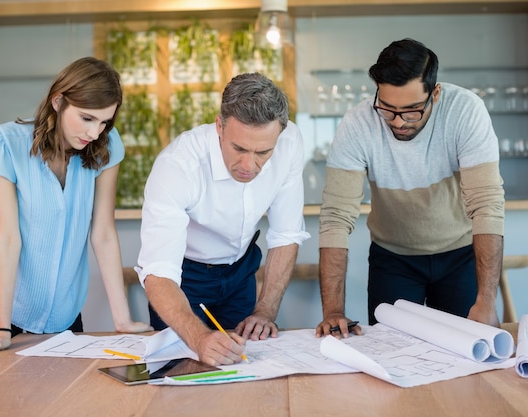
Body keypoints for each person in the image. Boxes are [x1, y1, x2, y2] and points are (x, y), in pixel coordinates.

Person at [315, 38, 505, 338]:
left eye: (412, 110)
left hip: (459, 254)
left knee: (467, 352)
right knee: (392, 353)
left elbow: (487, 204)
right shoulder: (357, 124)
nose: (399, 122)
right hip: (393, 259)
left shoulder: (466, 111)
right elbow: (336, 216)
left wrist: (487, 301)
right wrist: (333, 311)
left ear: (435, 93)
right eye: (388, 109)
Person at [0, 57, 152, 357]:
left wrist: (123, 320)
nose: (94, 133)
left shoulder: (106, 145)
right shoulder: (7, 144)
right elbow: (8, 237)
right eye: (87, 118)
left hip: (63, 307)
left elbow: (103, 232)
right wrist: (2, 328)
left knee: (65, 399)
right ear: (58, 101)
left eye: (104, 121)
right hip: (0, 301)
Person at [136, 72, 310, 366]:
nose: (248, 165)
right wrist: (200, 338)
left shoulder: (289, 141)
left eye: (263, 152)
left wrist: (265, 310)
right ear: (219, 125)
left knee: (241, 367)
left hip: (240, 272)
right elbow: (158, 272)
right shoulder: (178, 165)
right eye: (239, 148)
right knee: (183, 368)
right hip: (184, 279)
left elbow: (286, 234)